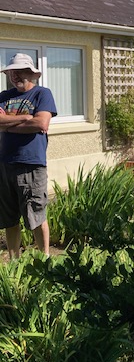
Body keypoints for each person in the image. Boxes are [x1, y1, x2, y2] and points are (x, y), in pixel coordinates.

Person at [0, 54, 57, 259]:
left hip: (31, 164)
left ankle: (45, 260)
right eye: (11, 72)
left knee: (36, 215)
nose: (15, 76)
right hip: (4, 164)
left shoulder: (42, 94)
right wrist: (25, 117)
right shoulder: (4, 96)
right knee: (9, 218)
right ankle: (14, 261)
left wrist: (7, 124)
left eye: (20, 71)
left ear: (32, 74)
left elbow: (41, 123)